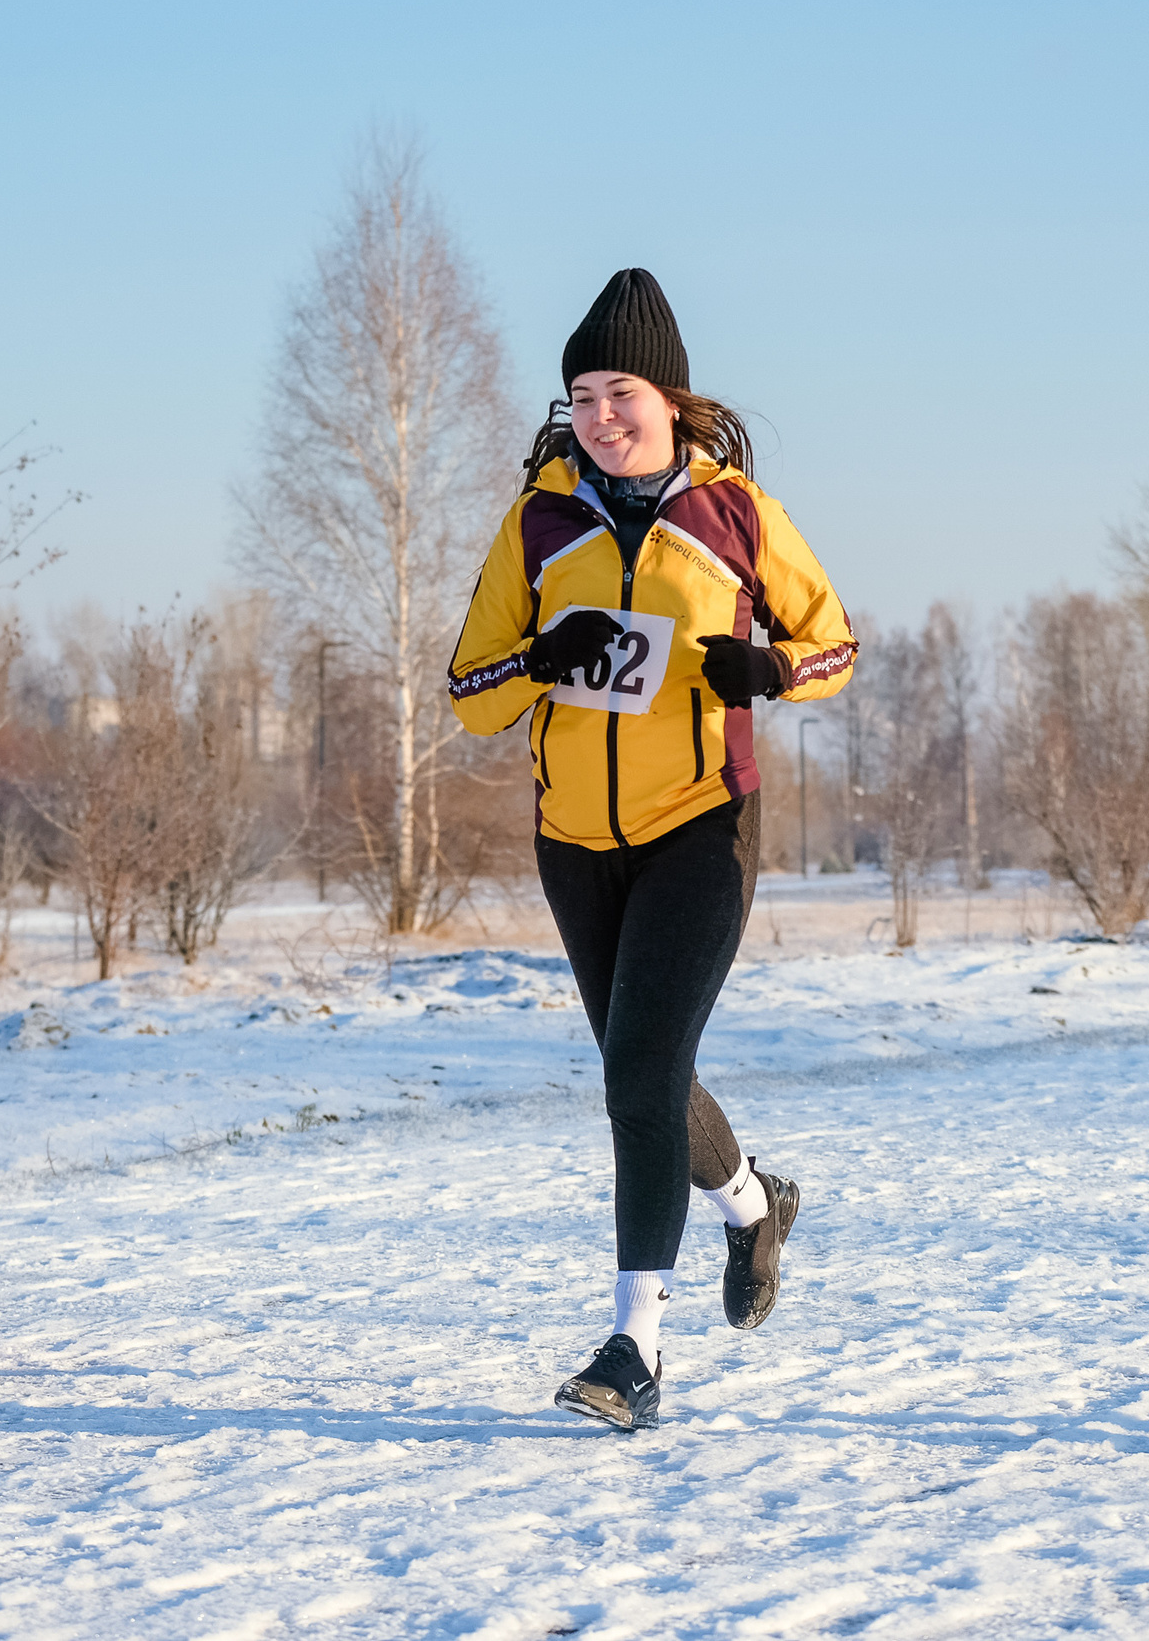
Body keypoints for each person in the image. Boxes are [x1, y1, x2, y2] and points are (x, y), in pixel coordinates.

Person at [448, 269, 859, 1430]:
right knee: (650, 1078)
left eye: (620, 390)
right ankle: (752, 1209)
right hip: (573, 843)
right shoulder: (537, 521)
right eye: (579, 396)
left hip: (701, 826)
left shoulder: (734, 516)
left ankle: (635, 1348)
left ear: (671, 399)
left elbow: (834, 644)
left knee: (634, 1077)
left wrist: (770, 670)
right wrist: (542, 656)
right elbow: (468, 689)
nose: (600, 415)